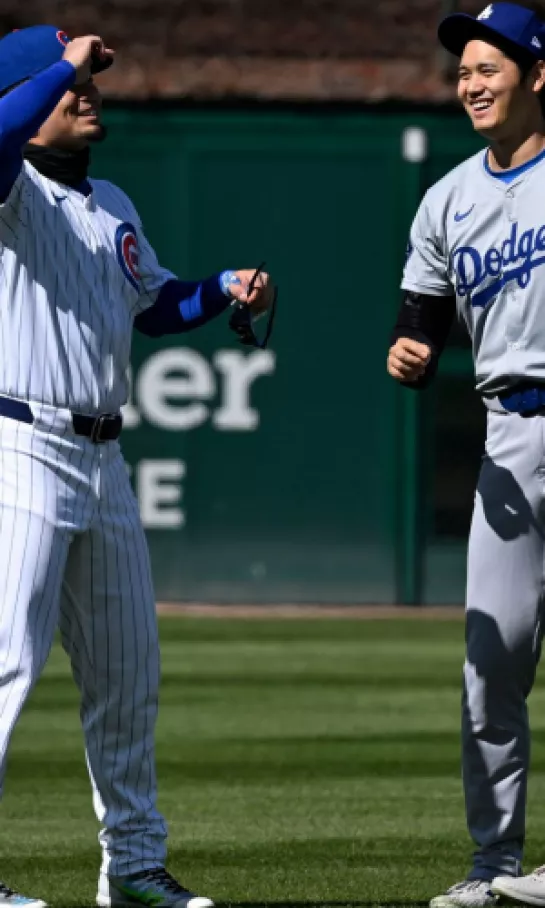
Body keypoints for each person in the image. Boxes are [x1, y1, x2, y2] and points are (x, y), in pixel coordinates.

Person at [0, 25, 275, 908]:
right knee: (5, 663)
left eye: (91, 82)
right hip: (19, 444)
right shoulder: (10, 189)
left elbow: (152, 305)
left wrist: (219, 287)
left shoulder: (112, 198)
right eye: (66, 85)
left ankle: (134, 866)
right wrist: (61, 62)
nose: (87, 93)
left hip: (104, 457)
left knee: (127, 675)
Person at [387, 3, 545, 907]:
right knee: (491, 661)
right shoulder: (447, 196)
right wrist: (406, 353)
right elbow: (419, 326)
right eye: (461, 72)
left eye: (491, 65)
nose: (472, 83)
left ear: (536, 76)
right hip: (507, 441)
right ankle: (494, 865)